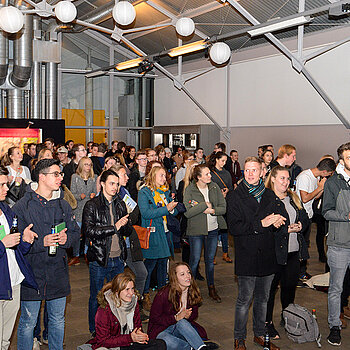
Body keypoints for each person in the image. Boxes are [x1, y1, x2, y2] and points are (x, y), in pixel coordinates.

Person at [13, 158, 80, 350]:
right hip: (32, 273)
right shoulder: (22, 206)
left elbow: (75, 233)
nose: (61, 177)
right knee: (28, 321)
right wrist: (40, 242)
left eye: (60, 174)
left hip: (57, 271)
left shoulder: (63, 205)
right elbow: (15, 243)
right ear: (42, 177)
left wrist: (67, 240)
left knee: (57, 319)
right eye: (56, 174)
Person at [227, 156, 283, 350]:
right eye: (247, 170)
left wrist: (277, 222)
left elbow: (275, 218)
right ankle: (239, 338)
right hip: (247, 255)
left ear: (262, 172)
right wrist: (262, 224)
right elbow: (234, 227)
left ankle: (259, 334)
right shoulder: (235, 196)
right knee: (244, 300)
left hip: (267, 254)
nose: (250, 174)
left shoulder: (269, 194)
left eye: (254, 170)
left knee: (263, 300)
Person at [82, 169, 133, 336]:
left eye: (117, 184)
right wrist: (114, 227)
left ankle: (115, 327)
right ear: (102, 183)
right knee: (97, 296)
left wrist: (125, 223)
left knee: (117, 296)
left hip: (118, 257)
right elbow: (89, 231)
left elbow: (127, 231)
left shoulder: (120, 203)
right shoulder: (92, 205)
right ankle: (94, 330)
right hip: (99, 258)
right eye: (112, 183)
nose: (115, 187)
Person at [265, 166, 310, 340]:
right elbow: (265, 227)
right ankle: (267, 323)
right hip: (275, 253)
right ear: (274, 179)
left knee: (289, 288)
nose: (286, 182)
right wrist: (286, 230)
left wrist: (300, 225)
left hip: (293, 252)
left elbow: (304, 217)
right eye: (282, 178)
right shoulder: (267, 200)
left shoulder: (293, 197)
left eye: (288, 179)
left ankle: (287, 315)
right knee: (269, 292)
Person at [0, 165, 38, 350]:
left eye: (6, 184)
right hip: (1, 281)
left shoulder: (6, 210)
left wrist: (25, 240)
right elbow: (6, 244)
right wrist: (2, 244)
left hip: (13, 281)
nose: (7, 189)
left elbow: (15, 246)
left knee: (6, 338)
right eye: (1, 185)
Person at [83, 272, 166, 350]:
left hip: (128, 342)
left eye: (132, 288)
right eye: (127, 289)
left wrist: (139, 335)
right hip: (112, 346)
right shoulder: (104, 310)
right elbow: (103, 341)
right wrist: (130, 338)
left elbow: (137, 326)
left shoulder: (134, 302)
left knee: (160, 344)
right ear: (116, 291)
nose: (131, 293)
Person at [148, 262, 218, 350]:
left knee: (182, 322)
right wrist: (175, 318)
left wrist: (187, 316)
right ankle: (194, 347)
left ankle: (201, 348)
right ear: (175, 278)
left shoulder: (192, 292)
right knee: (167, 341)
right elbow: (154, 318)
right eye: (182, 274)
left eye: (188, 272)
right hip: (161, 329)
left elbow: (194, 315)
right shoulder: (164, 294)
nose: (187, 276)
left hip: (180, 328)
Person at [183, 164, 226, 303]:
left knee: (210, 261)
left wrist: (212, 210)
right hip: (196, 231)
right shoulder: (190, 189)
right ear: (198, 177)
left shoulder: (214, 187)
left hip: (213, 230)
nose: (210, 176)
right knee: (194, 261)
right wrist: (204, 206)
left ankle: (211, 287)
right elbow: (188, 212)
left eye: (209, 173)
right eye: (206, 174)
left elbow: (223, 208)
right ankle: (190, 290)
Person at [137, 166, 178, 310]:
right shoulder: (144, 192)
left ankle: (163, 295)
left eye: (165, 176)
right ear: (153, 176)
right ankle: (145, 295)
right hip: (153, 233)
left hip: (165, 232)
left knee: (163, 264)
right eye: (161, 176)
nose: (164, 179)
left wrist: (174, 208)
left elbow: (171, 211)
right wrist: (167, 209)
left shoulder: (164, 191)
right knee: (150, 265)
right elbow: (146, 213)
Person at [322, 142, 350, 346]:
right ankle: (334, 326)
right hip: (339, 244)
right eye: (348, 157)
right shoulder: (333, 183)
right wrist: (346, 216)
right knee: (336, 288)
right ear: (341, 160)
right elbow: (326, 211)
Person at [296, 157, 336, 282]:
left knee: (304, 247)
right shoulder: (305, 177)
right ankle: (296, 274)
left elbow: (314, 197)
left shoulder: (316, 178)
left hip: (308, 216)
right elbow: (305, 198)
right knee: (298, 247)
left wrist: (322, 188)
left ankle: (302, 272)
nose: (329, 176)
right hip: (300, 217)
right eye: (329, 174)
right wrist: (319, 188)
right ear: (325, 172)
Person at [114, 165, 148, 301]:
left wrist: (126, 217)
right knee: (116, 279)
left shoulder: (125, 192)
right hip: (115, 244)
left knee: (141, 273)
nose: (127, 178)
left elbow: (134, 214)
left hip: (129, 242)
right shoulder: (105, 196)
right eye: (124, 175)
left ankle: (135, 303)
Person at [69, 157, 97, 266]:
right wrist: (79, 196)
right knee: (76, 234)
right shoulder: (75, 177)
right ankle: (75, 255)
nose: (88, 167)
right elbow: (72, 195)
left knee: (88, 235)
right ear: (81, 165)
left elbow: (95, 192)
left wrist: (93, 195)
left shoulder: (94, 178)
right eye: (86, 164)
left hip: (90, 210)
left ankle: (86, 254)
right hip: (78, 209)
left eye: (90, 164)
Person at [208, 152, 233, 264]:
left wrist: (227, 191)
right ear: (217, 160)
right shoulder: (211, 173)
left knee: (224, 229)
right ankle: (212, 255)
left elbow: (231, 187)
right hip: (214, 204)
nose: (224, 163)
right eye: (222, 160)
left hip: (225, 203)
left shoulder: (227, 173)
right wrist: (219, 194)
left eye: (225, 161)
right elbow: (209, 188)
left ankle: (225, 253)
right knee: (214, 230)